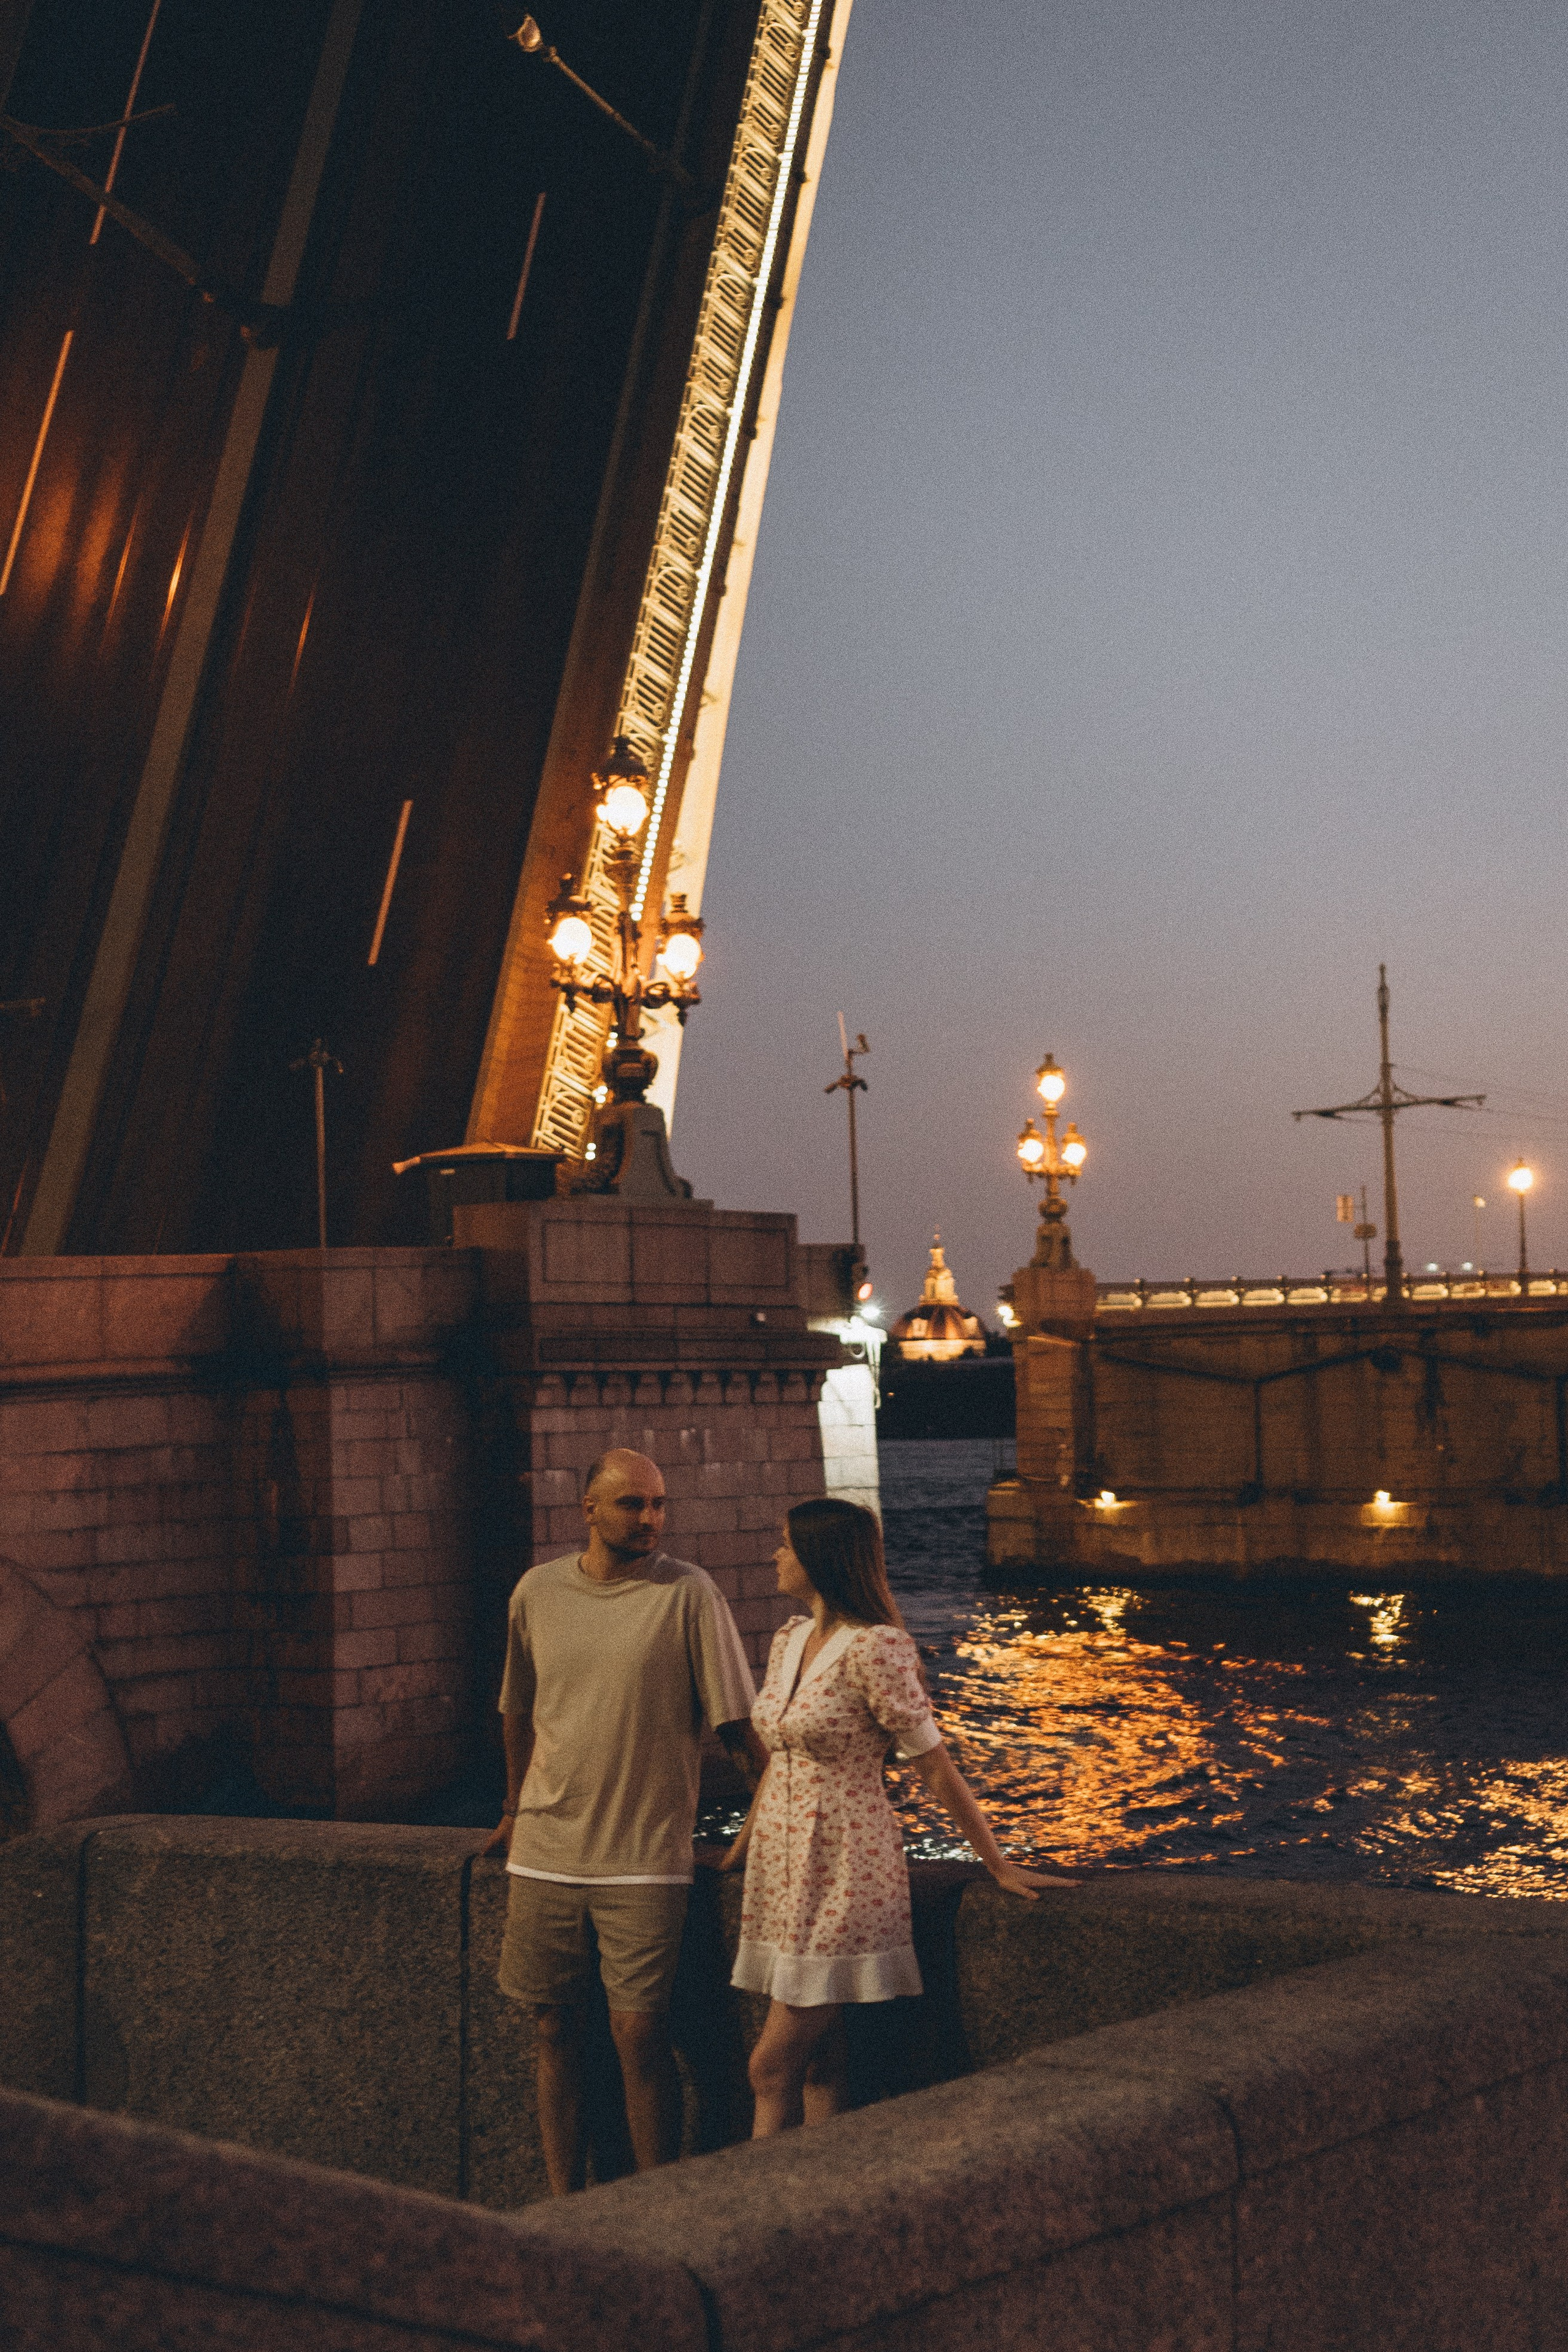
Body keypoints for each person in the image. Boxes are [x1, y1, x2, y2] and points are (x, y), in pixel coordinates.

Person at [725, 1495, 1075, 2136]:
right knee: (818, 2066)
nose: (774, 1555)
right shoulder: (789, 1638)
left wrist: (994, 1864)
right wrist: (741, 1843)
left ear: (821, 1558)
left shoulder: (876, 1649)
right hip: (781, 1865)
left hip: (843, 1866)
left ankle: (752, 2214)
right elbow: (781, 1750)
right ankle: (816, 2205)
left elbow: (934, 1765)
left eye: (785, 1545)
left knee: (768, 2068)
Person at [482, 1447, 762, 2193]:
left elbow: (738, 1730)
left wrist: (769, 1821)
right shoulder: (536, 1592)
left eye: (659, 1505)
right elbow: (516, 1710)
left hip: (643, 1858)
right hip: (544, 1848)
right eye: (634, 1504)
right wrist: (513, 1808)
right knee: (552, 2030)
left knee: (640, 2034)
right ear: (590, 1511)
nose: (650, 1519)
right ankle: (562, 2199)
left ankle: (652, 2199)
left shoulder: (687, 1594)